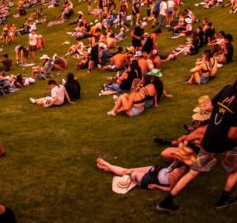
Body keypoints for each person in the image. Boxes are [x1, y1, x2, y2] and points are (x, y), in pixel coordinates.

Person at [157, 78, 237, 212]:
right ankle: (223, 199)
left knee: (193, 172)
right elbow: (232, 135)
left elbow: (210, 107)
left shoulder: (227, 88)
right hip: (223, 146)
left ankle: (166, 202)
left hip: (208, 141)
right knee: (235, 171)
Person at [96, 147, 191, 191]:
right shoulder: (177, 163)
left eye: (178, 156)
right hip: (156, 170)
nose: (175, 156)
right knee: (126, 170)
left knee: (127, 172)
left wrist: (156, 186)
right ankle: (107, 168)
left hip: (151, 180)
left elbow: (171, 188)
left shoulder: (177, 172)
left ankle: (107, 165)